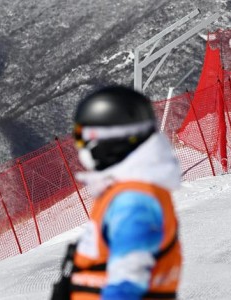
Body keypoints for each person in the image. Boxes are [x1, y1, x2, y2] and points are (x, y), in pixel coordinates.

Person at [51, 86, 182, 300]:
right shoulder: (130, 191)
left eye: (82, 138)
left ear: (108, 140)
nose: (80, 148)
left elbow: (128, 283)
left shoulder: (134, 202)